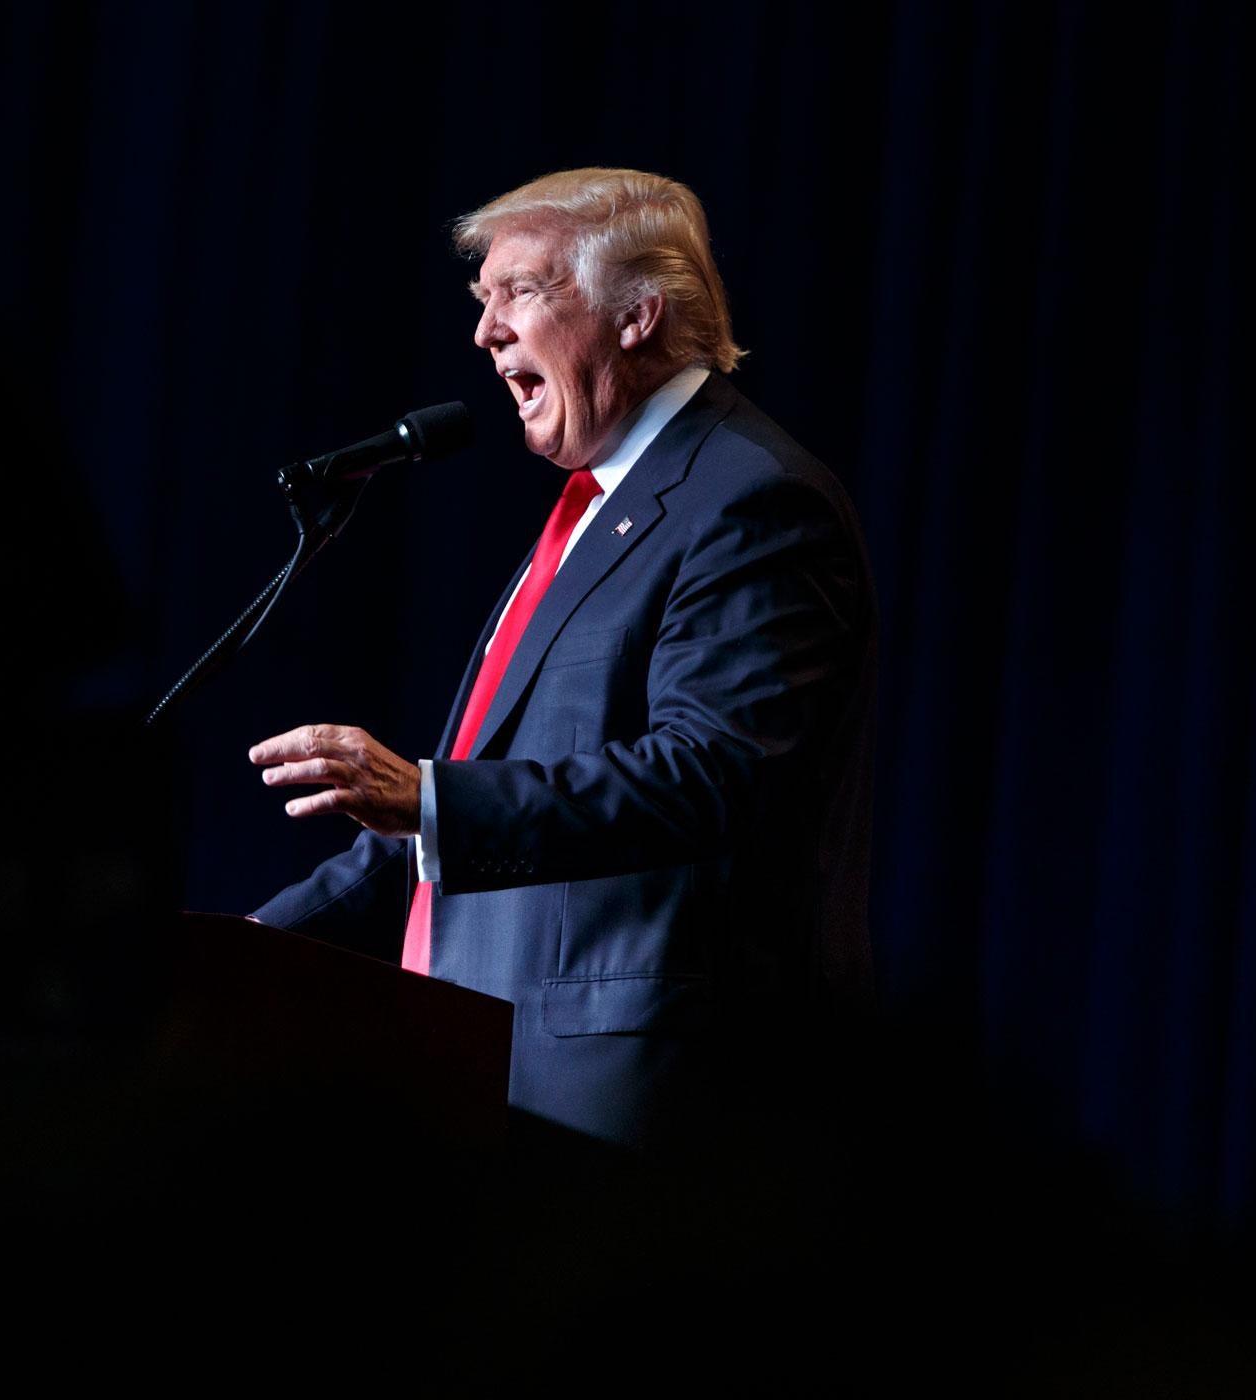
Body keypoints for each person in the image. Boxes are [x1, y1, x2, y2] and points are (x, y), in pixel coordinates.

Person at [248, 168, 876, 1155]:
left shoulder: (749, 497)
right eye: (479, 300)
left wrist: (429, 798)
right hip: (477, 1072)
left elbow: (712, 773)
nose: (483, 333)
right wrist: (235, 950)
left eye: (518, 293)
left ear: (635, 316)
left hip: (630, 1105)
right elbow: (456, 811)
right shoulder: (590, 513)